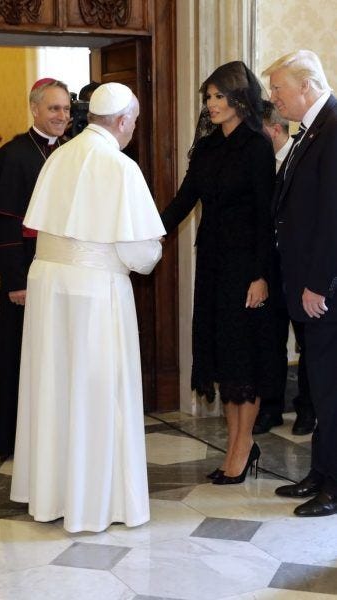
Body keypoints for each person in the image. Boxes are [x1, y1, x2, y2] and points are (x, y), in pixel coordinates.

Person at [10, 82, 166, 532]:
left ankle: (52, 495)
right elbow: (140, 253)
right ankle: (97, 502)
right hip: (95, 291)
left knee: (54, 387)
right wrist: (152, 248)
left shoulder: (59, 155)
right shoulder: (119, 166)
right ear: (121, 121)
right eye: (133, 121)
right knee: (97, 392)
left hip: (49, 284)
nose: (133, 129)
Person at [161, 61, 280, 485]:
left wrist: (261, 275)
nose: (211, 104)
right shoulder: (209, 147)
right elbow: (183, 200)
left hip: (247, 267)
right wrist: (147, 233)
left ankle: (242, 447)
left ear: (238, 97)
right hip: (212, 263)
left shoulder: (257, 146)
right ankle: (236, 446)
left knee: (243, 358)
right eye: (207, 97)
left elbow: (267, 217)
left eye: (217, 96)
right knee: (225, 358)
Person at [263, 50, 337, 517]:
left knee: (331, 389)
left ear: (306, 86)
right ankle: (320, 472)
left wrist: (318, 284)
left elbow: (332, 216)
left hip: (324, 289)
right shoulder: (314, 128)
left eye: (278, 89)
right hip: (306, 286)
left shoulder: (334, 125)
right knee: (319, 385)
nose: (274, 98)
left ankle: (334, 486)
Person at [0, 78, 70, 461]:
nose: (62, 116)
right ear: (35, 110)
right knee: (15, 356)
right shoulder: (14, 155)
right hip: (24, 271)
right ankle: (9, 440)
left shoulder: (71, 152)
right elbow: (6, 221)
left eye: (65, 108)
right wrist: (14, 280)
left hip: (59, 267)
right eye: (53, 109)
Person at [253, 100, 316, 435]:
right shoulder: (260, 163)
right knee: (271, 338)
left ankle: (307, 409)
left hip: (301, 268)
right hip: (271, 266)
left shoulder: (301, 156)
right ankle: (272, 407)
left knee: (307, 340)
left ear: (274, 129)